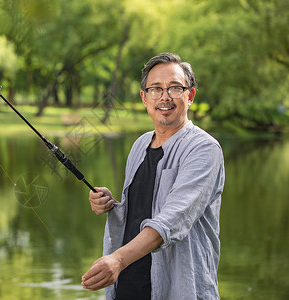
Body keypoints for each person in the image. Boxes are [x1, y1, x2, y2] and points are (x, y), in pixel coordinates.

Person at [81, 52, 225, 300]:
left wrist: (117, 259)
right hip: (128, 287)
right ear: (144, 98)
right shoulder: (139, 145)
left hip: (179, 290)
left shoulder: (204, 149)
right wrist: (110, 204)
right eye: (156, 89)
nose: (165, 97)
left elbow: (172, 219)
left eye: (175, 88)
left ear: (189, 96)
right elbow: (140, 211)